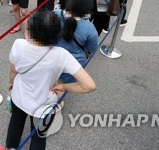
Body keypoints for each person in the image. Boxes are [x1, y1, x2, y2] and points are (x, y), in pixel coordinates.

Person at [6, 10, 96, 150]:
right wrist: (64, 87)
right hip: (44, 105)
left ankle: (10, 148)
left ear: (29, 31)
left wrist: (11, 82)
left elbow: (13, 71)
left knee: (15, 125)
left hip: (19, 96)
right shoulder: (62, 55)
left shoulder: (18, 45)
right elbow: (89, 85)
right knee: (38, 138)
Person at [55, 0, 99, 83]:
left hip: (52, 56)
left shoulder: (55, 13)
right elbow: (91, 48)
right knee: (62, 85)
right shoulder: (89, 28)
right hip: (73, 61)